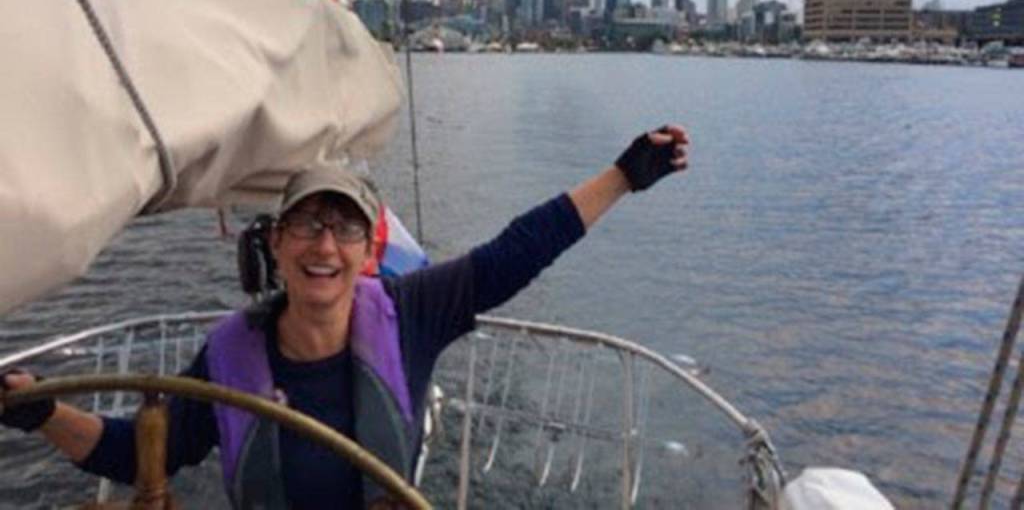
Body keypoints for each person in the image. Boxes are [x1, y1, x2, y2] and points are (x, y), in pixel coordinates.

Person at [1, 125, 689, 508]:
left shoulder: (410, 312)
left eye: (343, 228)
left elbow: (516, 253)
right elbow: (136, 452)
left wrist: (623, 176)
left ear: (367, 252)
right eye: (306, 225)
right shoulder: (229, 354)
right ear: (275, 244)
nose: (324, 245)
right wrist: (41, 411)